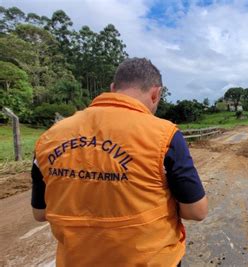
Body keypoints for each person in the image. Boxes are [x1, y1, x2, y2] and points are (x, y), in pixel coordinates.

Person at [31, 58, 208, 266]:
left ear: (113, 88)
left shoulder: (49, 137)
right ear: (155, 93)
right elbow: (196, 211)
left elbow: (40, 212)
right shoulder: (165, 135)